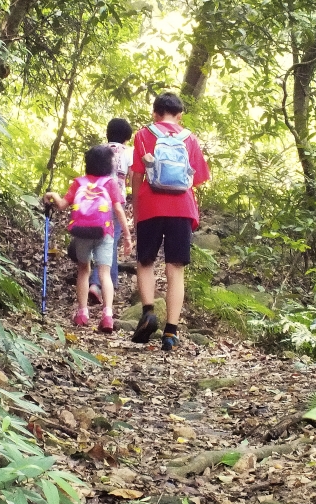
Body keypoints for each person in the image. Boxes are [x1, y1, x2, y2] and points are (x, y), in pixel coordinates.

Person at [130, 92, 210, 352]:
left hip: (151, 206)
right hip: (182, 209)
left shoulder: (143, 135)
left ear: (155, 113)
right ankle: (171, 332)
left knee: (145, 262)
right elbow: (196, 179)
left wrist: (136, 210)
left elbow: (137, 175)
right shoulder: (190, 139)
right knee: (175, 270)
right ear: (180, 116)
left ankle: (149, 312)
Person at [44, 145, 132, 332]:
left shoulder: (79, 182)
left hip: (81, 232)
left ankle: (83, 313)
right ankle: (107, 315)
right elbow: (118, 209)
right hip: (104, 232)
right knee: (104, 273)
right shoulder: (110, 183)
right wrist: (127, 236)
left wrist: (52, 195)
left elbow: (61, 205)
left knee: (83, 270)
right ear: (108, 164)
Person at [89, 118, 133, 304]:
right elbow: (131, 177)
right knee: (110, 241)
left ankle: (110, 282)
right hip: (115, 200)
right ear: (126, 137)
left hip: (95, 200)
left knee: (102, 240)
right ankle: (97, 283)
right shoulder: (128, 152)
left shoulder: (100, 150)